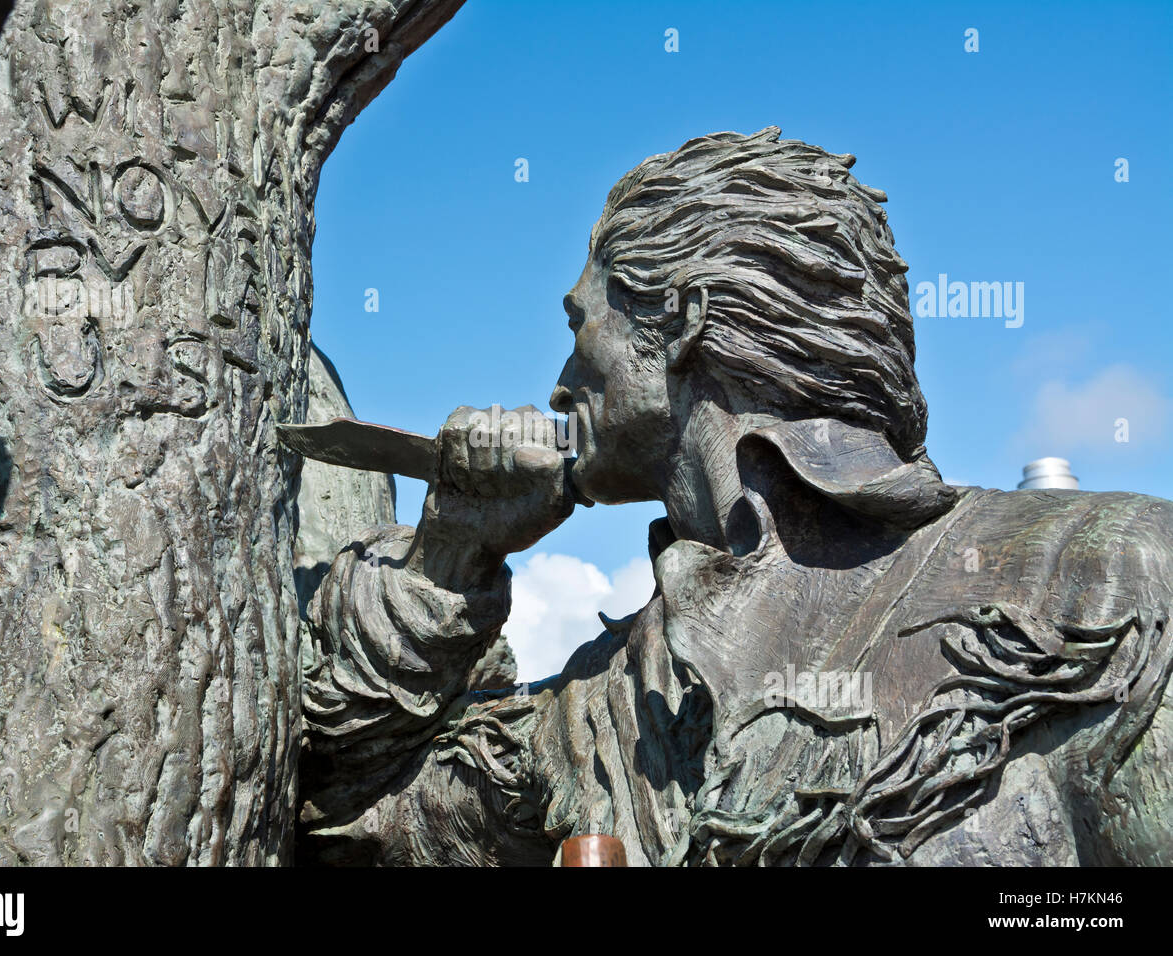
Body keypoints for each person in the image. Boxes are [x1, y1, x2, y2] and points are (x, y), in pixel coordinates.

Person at [299, 128, 1173, 866]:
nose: (561, 382)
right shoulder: (597, 717)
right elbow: (345, 825)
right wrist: (454, 548)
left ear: (680, 319)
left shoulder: (1107, 576)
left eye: (581, 326)